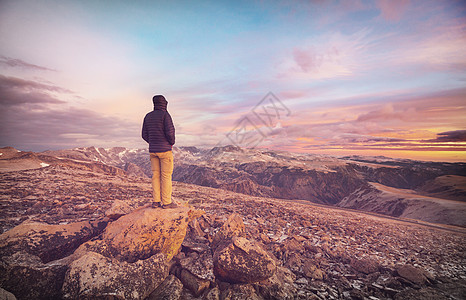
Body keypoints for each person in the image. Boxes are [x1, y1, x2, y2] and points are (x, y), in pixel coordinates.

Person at [142, 95, 177, 209]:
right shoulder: (165, 115)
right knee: (166, 176)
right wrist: (171, 143)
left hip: (153, 151)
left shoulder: (148, 116)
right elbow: (170, 133)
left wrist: (153, 142)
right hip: (165, 150)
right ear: (164, 103)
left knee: (155, 175)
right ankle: (166, 202)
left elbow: (144, 135)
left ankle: (156, 201)